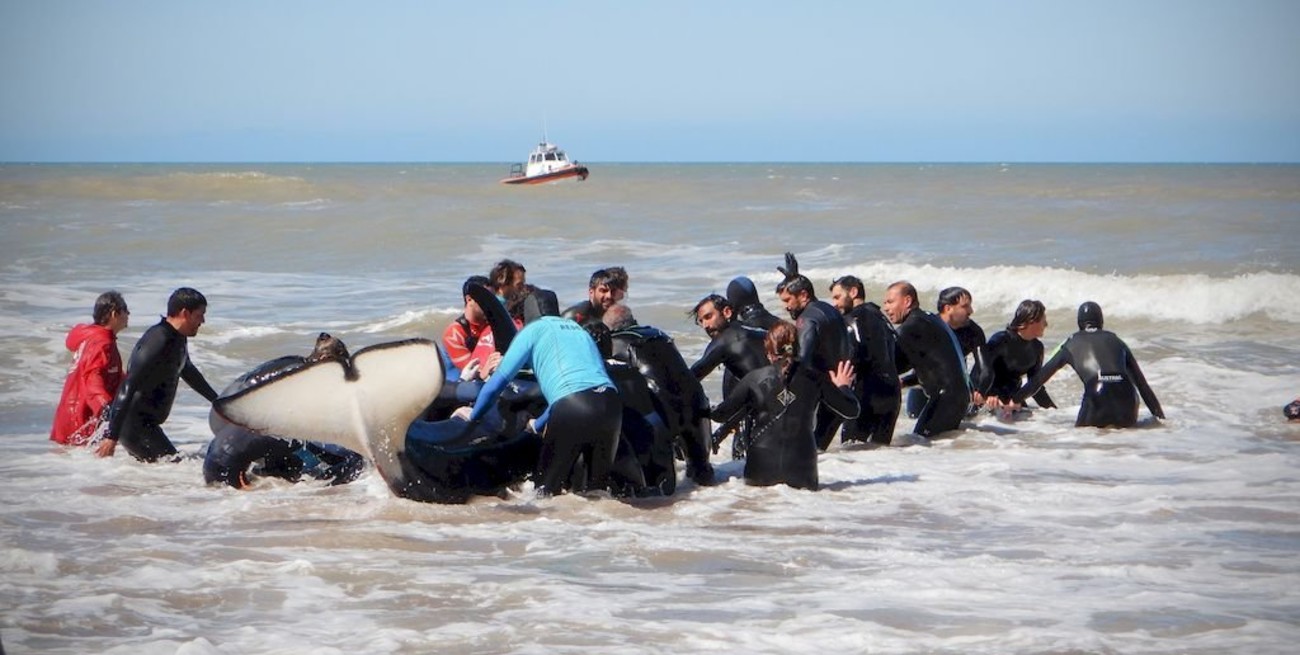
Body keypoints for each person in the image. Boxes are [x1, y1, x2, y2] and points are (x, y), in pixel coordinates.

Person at [467, 309, 622, 496]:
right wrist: (538, 425)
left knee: (544, 494)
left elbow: (495, 385)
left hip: (573, 405)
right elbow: (578, 388)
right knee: (597, 493)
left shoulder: (532, 331)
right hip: (611, 404)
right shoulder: (579, 330)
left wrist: (473, 418)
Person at [204, 333, 365, 489]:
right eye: (336, 371)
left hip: (223, 430)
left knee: (292, 463)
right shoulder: (303, 377)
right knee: (349, 459)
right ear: (325, 360)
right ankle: (323, 491)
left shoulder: (295, 363)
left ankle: (271, 473)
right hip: (232, 423)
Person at [710, 321, 858, 491]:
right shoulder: (815, 378)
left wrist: (702, 406)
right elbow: (851, 410)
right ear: (796, 348)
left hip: (760, 469)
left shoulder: (754, 379)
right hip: (802, 470)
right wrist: (843, 386)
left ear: (769, 351)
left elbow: (721, 415)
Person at [103, 287, 220, 462]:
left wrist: (217, 401)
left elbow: (187, 370)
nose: (202, 321)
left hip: (147, 424)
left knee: (165, 470)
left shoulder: (177, 337)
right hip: (135, 425)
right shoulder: (158, 340)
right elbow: (128, 386)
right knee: (175, 469)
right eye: (200, 315)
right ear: (185, 313)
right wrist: (111, 437)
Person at [605, 304, 716, 485]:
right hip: (696, 400)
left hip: (661, 405)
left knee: (661, 488)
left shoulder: (614, 342)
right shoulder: (658, 334)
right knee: (703, 475)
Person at [1011, 301, 1164, 428]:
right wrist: (1160, 419)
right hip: (1128, 397)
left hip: (1098, 394)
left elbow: (1038, 379)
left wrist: (1013, 400)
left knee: (1086, 447)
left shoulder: (1071, 343)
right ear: (1101, 322)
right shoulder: (1117, 341)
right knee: (1121, 447)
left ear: (1079, 324)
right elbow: (1142, 385)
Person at [775, 252, 851, 450]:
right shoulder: (827, 309)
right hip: (842, 389)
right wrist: (795, 277)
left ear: (803, 296)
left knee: (809, 450)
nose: (785, 307)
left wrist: (783, 385)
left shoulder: (806, 320)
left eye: (787, 300)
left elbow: (803, 360)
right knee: (821, 450)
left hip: (825, 393)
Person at [883, 281, 969, 438]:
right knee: (936, 444)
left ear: (907, 301)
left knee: (921, 442)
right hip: (956, 397)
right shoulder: (927, 319)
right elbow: (930, 363)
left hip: (947, 398)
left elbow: (889, 363)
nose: (886, 308)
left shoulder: (912, 326)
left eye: (890, 302)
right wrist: (904, 381)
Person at [687, 293, 769, 458]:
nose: (706, 326)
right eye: (701, 321)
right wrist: (724, 430)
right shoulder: (759, 333)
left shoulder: (722, 342)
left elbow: (688, 381)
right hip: (791, 410)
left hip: (763, 419)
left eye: (709, 317)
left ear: (727, 312)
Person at [50, 291, 130, 451]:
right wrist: (109, 413)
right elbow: (93, 381)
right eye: (125, 310)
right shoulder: (102, 343)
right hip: (81, 422)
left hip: (66, 420)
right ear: (114, 313)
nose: (128, 314)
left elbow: (109, 374)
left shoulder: (92, 338)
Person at [828, 276, 901, 445]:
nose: (835, 304)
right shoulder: (881, 317)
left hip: (867, 395)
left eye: (837, 297)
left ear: (853, 292)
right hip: (892, 395)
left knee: (852, 452)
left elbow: (852, 355)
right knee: (879, 450)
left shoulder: (852, 319)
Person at [976, 300, 1057, 412]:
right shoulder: (1001, 340)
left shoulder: (1037, 348)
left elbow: (1035, 386)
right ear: (1031, 321)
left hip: (1012, 401)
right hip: (988, 399)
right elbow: (980, 370)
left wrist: (1054, 412)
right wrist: (983, 394)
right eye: (1044, 320)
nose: (1046, 324)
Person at [442, 275, 491, 373]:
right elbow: (472, 371)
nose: (491, 304)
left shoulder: (491, 325)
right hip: (458, 383)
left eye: (493, 299)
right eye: (486, 299)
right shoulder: (453, 334)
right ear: (469, 300)